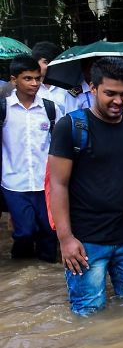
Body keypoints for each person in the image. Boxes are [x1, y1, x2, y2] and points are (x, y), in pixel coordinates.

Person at [49, 58, 123, 316]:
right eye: (110, 94)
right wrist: (66, 239)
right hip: (85, 243)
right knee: (89, 318)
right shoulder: (71, 127)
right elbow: (58, 185)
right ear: (92, 88)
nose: (118, 101)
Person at [1, 55, 59, 262]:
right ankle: (21, 269)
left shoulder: (50, 109)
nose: (34, 83)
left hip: (45, 184)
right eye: (27, 78)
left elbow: (59, 143)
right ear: (14, 79)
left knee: (49, 233)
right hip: (14, 183)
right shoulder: (4, 108)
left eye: (37, 78)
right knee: (24, 232)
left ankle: (43, 279)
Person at [31, 42, 77, 114]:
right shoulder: (29, 88)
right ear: (35, 62)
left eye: (53, 62)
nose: (50, 66)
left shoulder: (67, 87)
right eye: (46, 62)